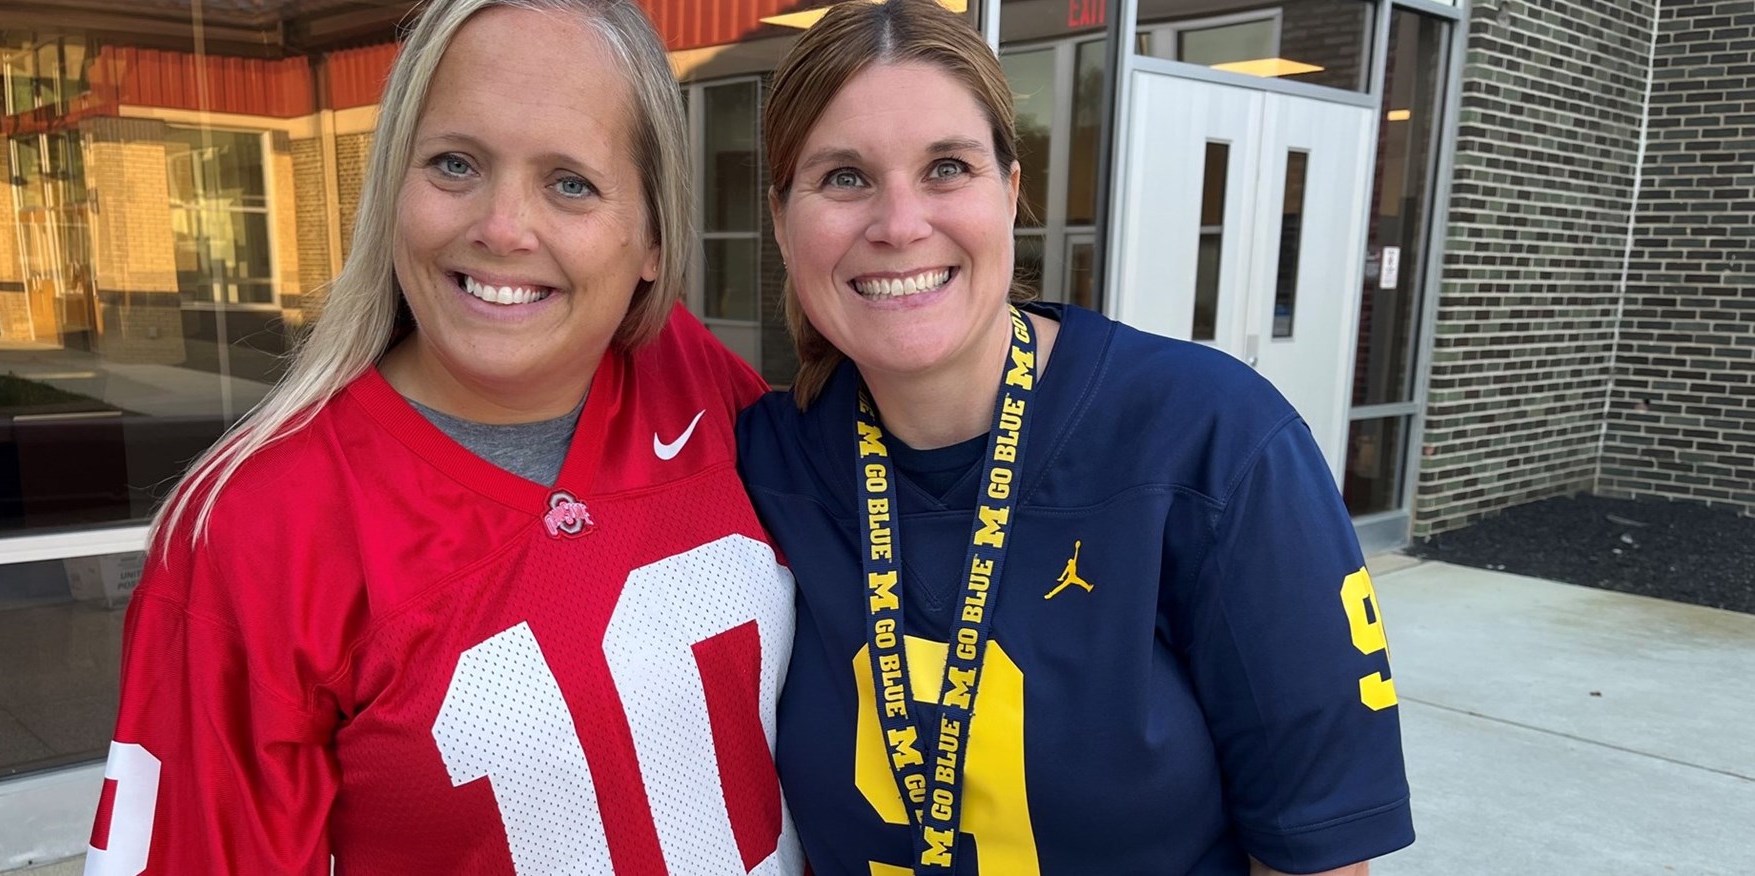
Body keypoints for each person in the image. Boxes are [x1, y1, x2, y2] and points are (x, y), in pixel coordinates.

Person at [86, 0, 801, 872]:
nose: (501, 228)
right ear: (393, 188)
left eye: (569, 182)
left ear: (652, 236)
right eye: (454, 164)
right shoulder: (252, 528)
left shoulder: (695, 378)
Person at [736, 1, 1415, 874]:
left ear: (1011, 193)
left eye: (947, 167)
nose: (899, 223)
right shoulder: (759, 461)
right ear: (782, 218)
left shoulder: (1213, 441)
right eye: (843, 177)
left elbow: (1314, 854)